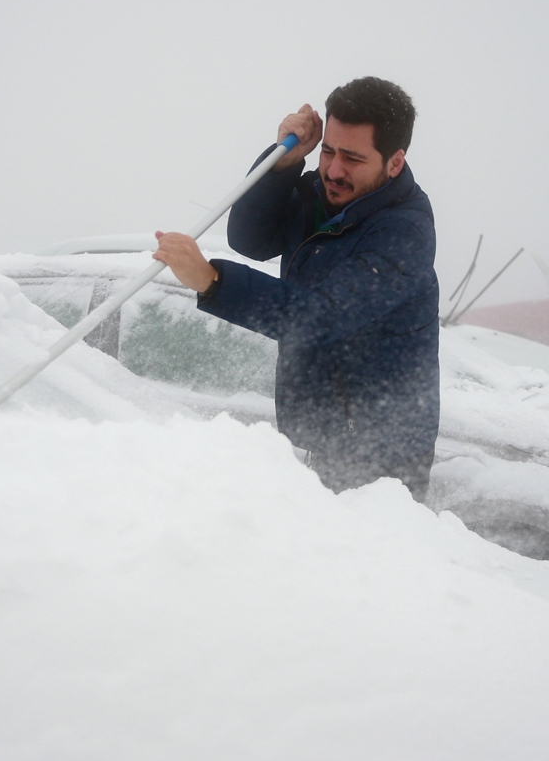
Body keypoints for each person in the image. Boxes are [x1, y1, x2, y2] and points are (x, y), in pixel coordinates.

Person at [153, 76, 439, 501]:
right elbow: (250, 239)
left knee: (355, 545)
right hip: (321, 428)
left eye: (353, 158)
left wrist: (212, 281)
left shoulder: (404, 233)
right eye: (329, 151)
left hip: (381, 454)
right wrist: (282, 164)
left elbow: (319, 317)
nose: (334, 170)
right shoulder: (321, 195)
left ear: (394, 163)